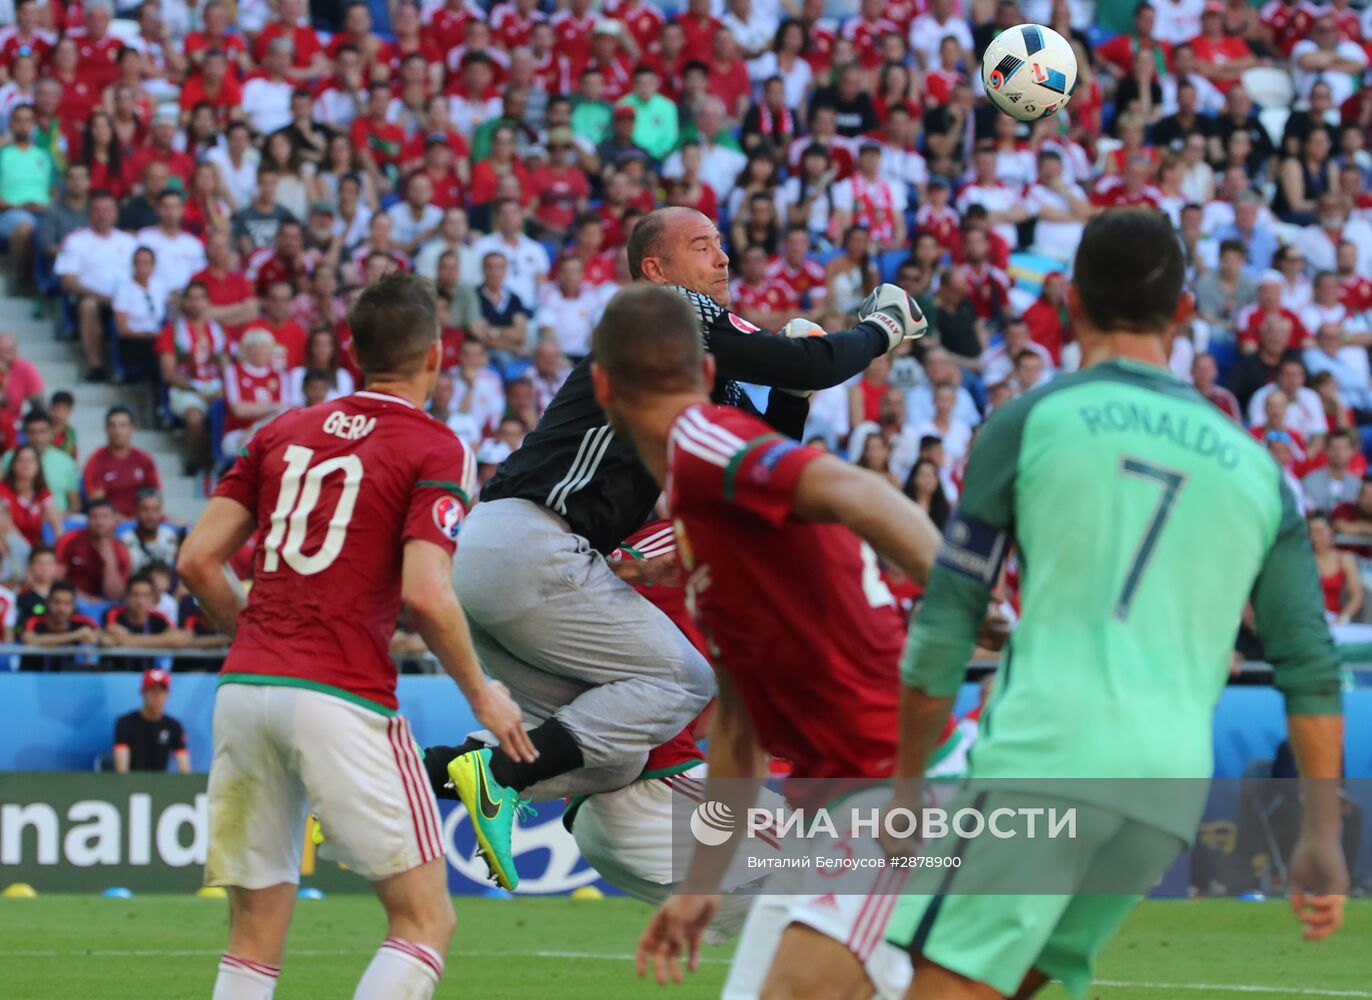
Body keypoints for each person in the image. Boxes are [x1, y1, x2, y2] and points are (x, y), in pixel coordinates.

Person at [884, 209, 1346, 1000]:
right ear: (1187, 313)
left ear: (1068, 301)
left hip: (1047, 758)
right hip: (1165, 791)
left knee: (931, 984)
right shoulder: (1259, 469)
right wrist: (1322, 833)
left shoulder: (1030, 420)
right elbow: (1309, 665)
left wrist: (903, 787)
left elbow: (945, 626)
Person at [427, 205, 927, 893]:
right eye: (702, 246)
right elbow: (812, 358)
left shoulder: (681, 364)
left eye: (721, 245)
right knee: (683, 681)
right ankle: (498, 776)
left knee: (612, 760)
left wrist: (795, 395)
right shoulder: (670, 311)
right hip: (533, 545)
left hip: (500, 555)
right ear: (657, 271)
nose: (723, 259)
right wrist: (882, 327)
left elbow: (756, 462)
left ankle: (398, 783)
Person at [177, 273, 527, 1000]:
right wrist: (484, 696)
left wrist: (262, 637)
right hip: (341, 693)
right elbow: (427, 594)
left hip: (245, 690)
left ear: (351, 350)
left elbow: (197, 561)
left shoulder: (278, 430)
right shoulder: (437, 447)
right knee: (424, 920)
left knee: (251, 942)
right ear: (436, 354)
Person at [609, 284, 941, 997]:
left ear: (600, 385)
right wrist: (702, 884)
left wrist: (966, 596)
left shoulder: (702, 447)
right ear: (704, 373)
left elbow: (862, 494)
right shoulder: (701, 517)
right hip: (829, 805)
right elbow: (736, 722)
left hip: (880, 790)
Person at [54, 190, 137, 383]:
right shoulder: (74, 240)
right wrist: (103, 298)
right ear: (89, 213)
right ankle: (96, 365)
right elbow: (68, 281)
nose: (102, 214)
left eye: (107, 209)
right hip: (92, 300)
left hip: (126, 299)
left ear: (116, 212)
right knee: (88, 305)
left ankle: (134, 369)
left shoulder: (130, 242)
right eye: (97, 210)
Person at [0, 103, 55, 296]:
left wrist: (46, 207)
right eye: (18, 121)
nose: (23, 125)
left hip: (44, 212)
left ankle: (52, 286)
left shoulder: (44, 156)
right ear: (11, 124)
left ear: (34, 125)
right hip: (9, 213)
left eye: (27, 121)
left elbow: (54, 191)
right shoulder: (3, 154)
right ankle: (21, 282)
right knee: (25, 227)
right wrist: (20, 206)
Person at [84, 406, 162, 519]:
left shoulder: (144, 459)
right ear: (106, 429)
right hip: (109, 523)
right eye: (112, 425)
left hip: (142, 521)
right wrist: (122, 520)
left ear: (133, 428)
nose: (117, 431)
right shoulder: (96, 459)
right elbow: (98, 502)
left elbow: (154, 496)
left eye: (123, 425)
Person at [102, 573, 189, 671]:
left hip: (149, 677)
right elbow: (115, 638)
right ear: (126, 596)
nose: (140, 601)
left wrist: (129, 640)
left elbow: (179, 640)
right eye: (135, 595)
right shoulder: (113, 614)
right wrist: (164, 640)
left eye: (145, 595)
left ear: (153, 598)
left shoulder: (159, 618)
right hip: (116, 675)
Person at [113, 668, 190, 772]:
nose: (157, 696)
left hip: (161, 784)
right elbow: (121, 770)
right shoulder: (125, 723)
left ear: (168, 694)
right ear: (143, 692)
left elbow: (185, 769)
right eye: (152, 690)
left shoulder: (174, 726)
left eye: (161, 691)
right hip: (132, 784)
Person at [58, 499, 131, 603]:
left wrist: (109, 562)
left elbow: (116, 595)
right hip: (71, 600)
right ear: (87, 519)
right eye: (94, 516)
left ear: (114, 520)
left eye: (105, 516)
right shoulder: (70, 540)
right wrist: (84, 598)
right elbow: (56, 578)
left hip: (105, 604)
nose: (99, 522)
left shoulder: (121, 549)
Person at [19, 580, 99, 671]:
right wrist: (75, 635)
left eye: (67, 603)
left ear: (73, 606)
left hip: (70, 679)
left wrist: (95, 637)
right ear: (48, 602)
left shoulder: (84, 622)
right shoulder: (34, 621)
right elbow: (30, 641)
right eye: (56, 602)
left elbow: (100, 636)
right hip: (33, 678)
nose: (61, 609)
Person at [0, 443, 61, 547]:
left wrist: (61, 548)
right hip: (10, 549)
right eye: (21, 460)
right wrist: (27, 551)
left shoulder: (42, 492)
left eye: (30, 461)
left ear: (38, 465)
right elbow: (5, 524)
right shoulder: (3, 490)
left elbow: (56, 524)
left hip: (35, 552)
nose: (26, 465)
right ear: (13, 465)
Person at [118, 489, 181, 576]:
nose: (150, 515)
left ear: (161, 512)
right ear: (135, 511)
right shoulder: (124, 541)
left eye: (155, 510)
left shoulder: (171, 536)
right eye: (144, 509)